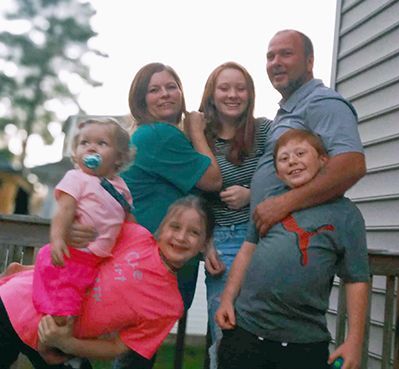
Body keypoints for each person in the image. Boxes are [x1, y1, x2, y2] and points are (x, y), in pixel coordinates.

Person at [0, 195, 215, 369]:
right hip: (14, 303)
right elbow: (80, 254)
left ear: (205, 244)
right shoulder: (135, 236)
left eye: (194, 232)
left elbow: (117, 346)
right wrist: (29, 270)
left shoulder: (169, 306)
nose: (181, 237)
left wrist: (67, 344)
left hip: (55, 337)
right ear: (162, 229)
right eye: (175, 227)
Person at [216, 129, 370, 369]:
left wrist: (354, 340)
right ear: (277, 172)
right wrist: (227, 299)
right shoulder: (269, 204)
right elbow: (247, 250)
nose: (293, 161)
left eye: (300, 153)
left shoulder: (346, 215)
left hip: (303, 343)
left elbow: (356, 280)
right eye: (284, 158)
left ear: (323, 160)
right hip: (246, 331)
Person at [114, 62, 224, 369]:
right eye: (154, 89)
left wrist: (208, 241)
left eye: (171, 86)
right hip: (151, 265)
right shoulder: (159, 136)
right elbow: (213, 180)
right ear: (141, 100)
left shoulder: (158, 137)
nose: (165, 94)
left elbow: (196, 198)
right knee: (132, 356)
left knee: (136, 354)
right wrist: (197, 131)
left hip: (158, 262)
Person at [31, 117, 134, 359]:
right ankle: (47, 350)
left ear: (118, 157)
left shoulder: (121, 189)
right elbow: (64, 211)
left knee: (82, 308)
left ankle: (64, 348)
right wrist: (57, 239)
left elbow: (126, 223)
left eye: (101, 143)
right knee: (63, 307)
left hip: (95, 262)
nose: (91, 147)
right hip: (70, 257)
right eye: (84, 143)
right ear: (76, 153)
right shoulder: (76, 178)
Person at [251, 29, 366, 236]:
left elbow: (352, 165)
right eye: (270, 56)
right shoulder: (290, 109)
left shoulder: (321, 101)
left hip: (299, 238)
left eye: (286, 54)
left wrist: (283, 204)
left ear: (309, 62)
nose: (276, 62)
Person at [198, 61, 271, 369]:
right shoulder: (201, 138)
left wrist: (251, 194)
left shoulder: (265, 130)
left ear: (250, 94)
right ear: (212, 94)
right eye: (224, 88)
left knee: (264, 334)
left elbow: (285, 177)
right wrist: (206, 245)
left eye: (240, 88)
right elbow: (193, 195)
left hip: (266, 238)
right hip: (223, 242)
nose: (233, 95)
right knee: (225, 335)